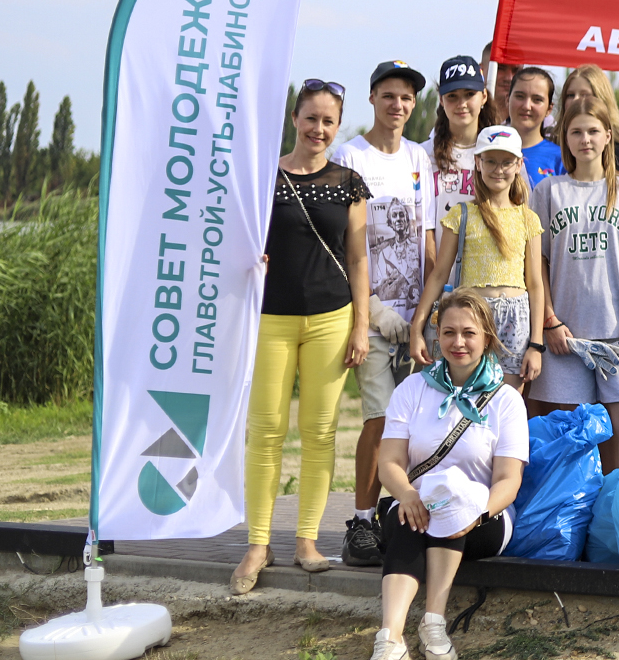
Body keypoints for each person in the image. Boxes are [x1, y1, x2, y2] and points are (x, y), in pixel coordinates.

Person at [232, 80, 371, 594]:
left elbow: (358, 258)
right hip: (270, 318)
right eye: (311, 118)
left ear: (338, 127)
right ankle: (257, 543)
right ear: (295, 119)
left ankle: (307, 541)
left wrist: (360, 325)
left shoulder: (350, 183)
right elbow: (233, 240)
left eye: (328, 121)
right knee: (265, 432)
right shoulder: (262, 177)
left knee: (320, 433)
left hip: (331, 318)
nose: (319, 129)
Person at [362, 289, 528, 660]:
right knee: (415, 510)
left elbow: (509, 480)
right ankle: (392, 639)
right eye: (449, 332)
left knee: (452, 498)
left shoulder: (506, 400)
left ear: (487, 337)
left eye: (469, 333)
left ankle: (433, 621)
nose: (458, 342)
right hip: (415, 509)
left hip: (486, 519)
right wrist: (406, 494)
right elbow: (388, 464)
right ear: (436, 335)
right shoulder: (412, 390)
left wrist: (477, 510)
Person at [330, 61, 434, 568]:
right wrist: (368, 312)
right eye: (389, 96)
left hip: (415, 319)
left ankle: (397, 514)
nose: (398, 105)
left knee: (414, 424)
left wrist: (423, 316)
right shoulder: (349, 156)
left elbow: (428, 240)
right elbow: (344, 244)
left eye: (407, 98)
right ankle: (361, 520)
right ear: (372, 99)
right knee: (378, 418)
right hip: (372, 318)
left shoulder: (420, 158)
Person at [530, 96, 619, 467]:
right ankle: (581, 520)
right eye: (576, 132)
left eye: (593, 131)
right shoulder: (547, 192)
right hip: (567, 339)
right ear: (564, 138)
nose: (585, 139)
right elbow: (537, 265)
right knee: (577, 439)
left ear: (608, 136)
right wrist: (549, 321)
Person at [410, 126, 546, 391]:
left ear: (519, 164)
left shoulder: (528, 218)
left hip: (515, 321)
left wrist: (536, 344)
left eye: (507, 162)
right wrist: (417, 328)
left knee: (505, 406)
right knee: (463, 403)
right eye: (491, 161)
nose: (498, 169)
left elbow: (536, 284)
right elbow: (439, 275)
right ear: (477, 162)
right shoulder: (462, 214)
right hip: (470, 318)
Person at [427, 55, 497, 225]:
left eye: (469, 94)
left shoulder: (501, 152)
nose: (462, 104)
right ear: (441, 100)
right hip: (437, 251)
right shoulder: (423, 154)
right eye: (452, 96)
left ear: (484, 96)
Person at [560, 65, 619, 173]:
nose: (576, 100)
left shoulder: (618, 154)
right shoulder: (549, 143)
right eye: (570, 95)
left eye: (585, 95)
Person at [508, 67, 564, 186]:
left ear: (549, 109)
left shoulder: (561, 159)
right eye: (520, 96)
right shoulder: (487, 149)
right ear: (507, 100)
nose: (527, 106)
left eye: (537, 100)